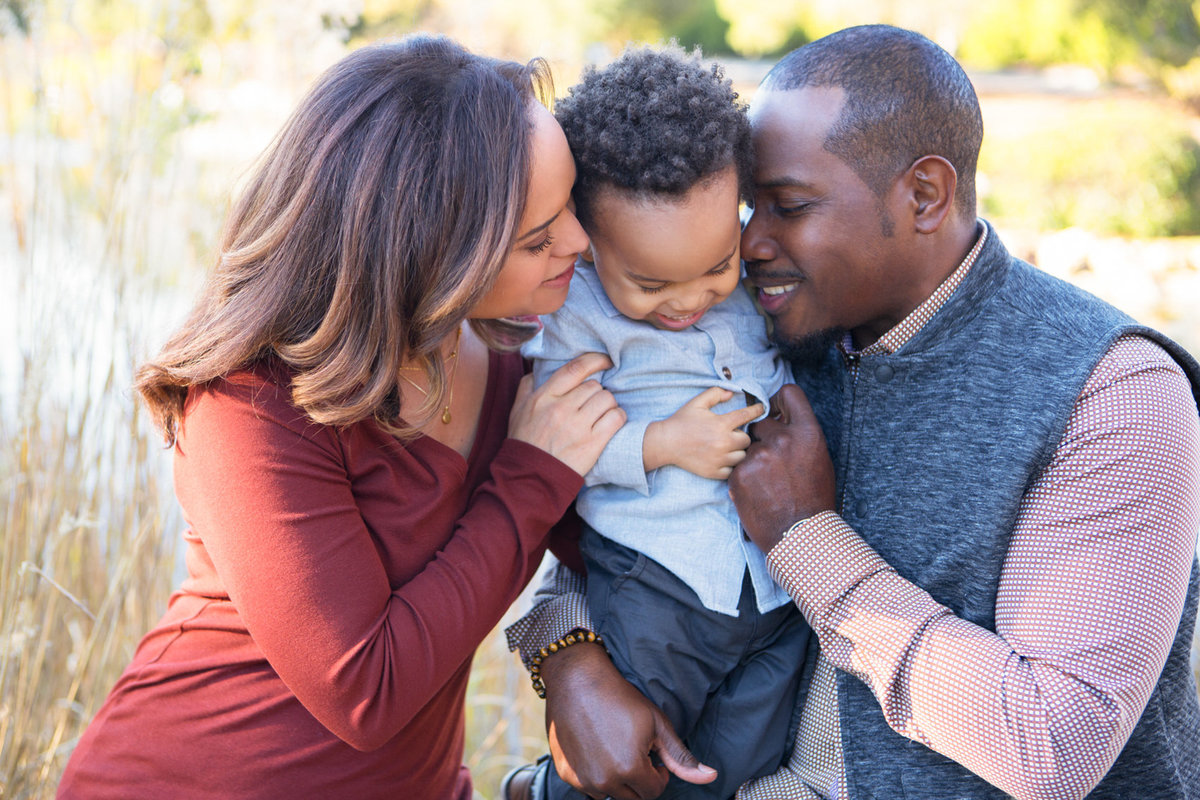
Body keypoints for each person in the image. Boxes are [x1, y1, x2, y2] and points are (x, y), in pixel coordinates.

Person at [505, 24, 1200, 800]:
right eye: (746, 206)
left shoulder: (1111, 393)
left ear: (924, 195)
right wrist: (566, 654)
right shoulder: (769, 323)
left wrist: (805, 538)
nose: (750, 244)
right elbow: (628, 523)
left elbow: (1053, 745)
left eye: (788, 206)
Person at [56, 35, 627, 800]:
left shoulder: (516, 370)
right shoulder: (248, 403)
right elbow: (366, 690)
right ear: (429, 250)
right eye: (537, 236)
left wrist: (571, 650)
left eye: (571, 209)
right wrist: (534, 475)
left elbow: (625, 547)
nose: (580, 243)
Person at [517, 45, 809, 800]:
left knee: (736, 764)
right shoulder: (576, 314)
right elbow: (560, 446)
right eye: (649, 284)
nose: (690, 301)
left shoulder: (754, 284)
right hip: (657, 582)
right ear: (589, 241)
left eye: (716, 268)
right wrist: (661, 442)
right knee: (624, 764)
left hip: (771, 590)